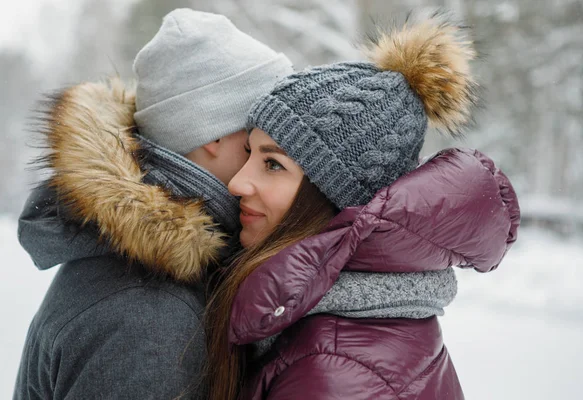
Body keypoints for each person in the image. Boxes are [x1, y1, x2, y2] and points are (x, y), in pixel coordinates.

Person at [204, 13, 521, 400]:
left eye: (273, 164)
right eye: (249, 153)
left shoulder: (332, 369)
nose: (237, 182)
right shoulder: (353, 326)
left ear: (336, 195)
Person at [14, 9, 292, 400]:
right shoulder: (148, 318)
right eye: (260, 133)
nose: (278, 140)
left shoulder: (157, 269)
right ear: (213, 133)